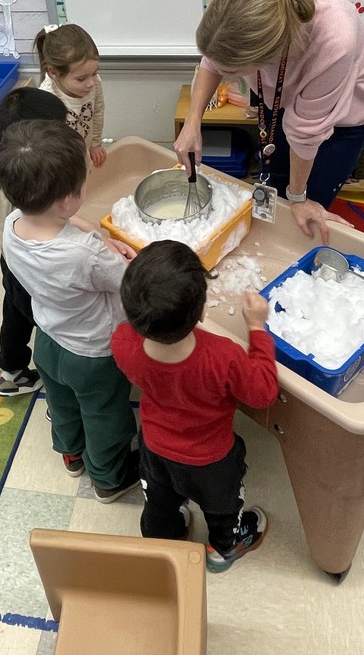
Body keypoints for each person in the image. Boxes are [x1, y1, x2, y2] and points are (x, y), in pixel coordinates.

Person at [173, 0, 364, 242]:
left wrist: (298, 198)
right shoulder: (243, 20)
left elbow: (306, 132)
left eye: (236, 71)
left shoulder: (335, 40)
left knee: (306, 208)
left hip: (340, 120)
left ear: (271, 56)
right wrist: (193, 121)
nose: (230, 76)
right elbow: (211, 62)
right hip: (282, 106)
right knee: (272, 186)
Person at [0, 119, 140, 503]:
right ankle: (108, 478)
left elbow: (59, 223)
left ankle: (71, 453)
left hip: (48, 340)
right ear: (68, 198)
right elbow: (129, 282)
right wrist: (115, 249)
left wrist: (85, 227)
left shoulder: (11, 225)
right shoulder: (85, 255)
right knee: (104, 414)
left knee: (62, 404)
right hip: (93, 353)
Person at [112, 240, 279, 573]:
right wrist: (257, 329)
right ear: (203, 310)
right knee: (223, 508)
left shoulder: (121, 341)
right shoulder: (223, 356)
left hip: (155, 448)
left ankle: (163, 541)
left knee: (159, 504)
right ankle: (223, 548)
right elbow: (263, 392)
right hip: (211, 460)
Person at [0, 86, 68, 397]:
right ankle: (60, 397)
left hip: (8, 255)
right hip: (37, 262)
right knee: (53, 327)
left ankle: (9, 373)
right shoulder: (36, 175)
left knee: (14, 313)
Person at [35, 23, 107, 166]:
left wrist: (95, 144)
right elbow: (46, 142)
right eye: (81, 79)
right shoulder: (46, 97)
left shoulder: (94, 83)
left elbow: (98, 112)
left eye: (94, 73)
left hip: (83, 147)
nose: (91, 82)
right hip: (61, 159)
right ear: (53, 73)